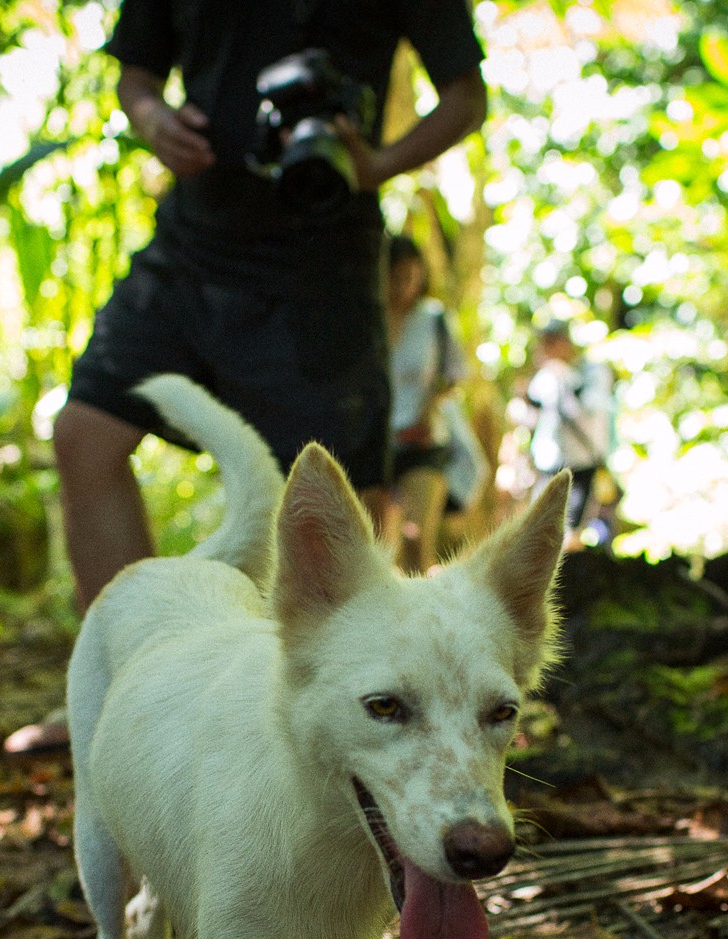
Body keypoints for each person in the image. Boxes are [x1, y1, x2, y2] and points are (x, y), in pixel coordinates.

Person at [52, 0, 488, 613]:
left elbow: (467, 97)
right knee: (85, 435)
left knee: (344, 500)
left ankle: (311, 701)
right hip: (196, 240)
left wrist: (381, 164)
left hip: (325, 254)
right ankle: (128, 684)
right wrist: (154, 121)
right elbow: (137, 75)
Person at [380, 234, 467, 573]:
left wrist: (430, 408)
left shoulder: (433, 318)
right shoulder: (370, 319)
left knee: (416, 540)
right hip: (379, 444)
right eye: (397, 277)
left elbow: (455, 375)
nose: (405, 287)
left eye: (411, 277)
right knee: (382, 549)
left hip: (423, 443)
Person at [524, 321, 616, 544]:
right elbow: (534, 409)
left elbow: (590, 408)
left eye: (550, 343)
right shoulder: (547, 374)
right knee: (538, 532)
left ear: (564, 343)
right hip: (548, 466)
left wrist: (562, 377)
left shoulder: (592, 371)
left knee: (568, 536)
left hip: (579, 466)